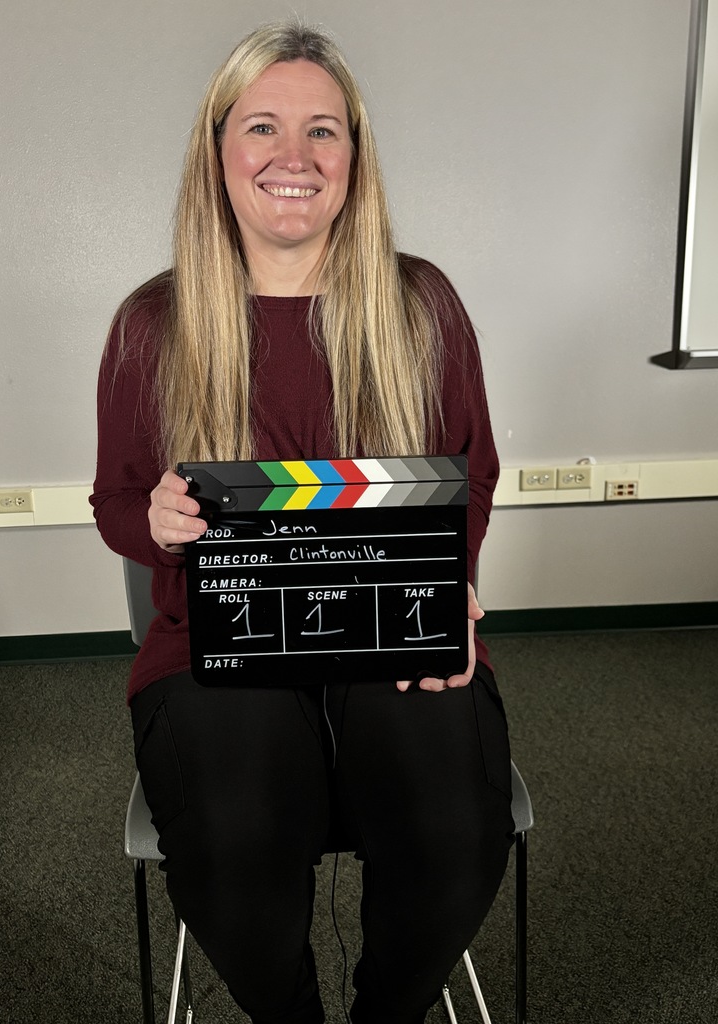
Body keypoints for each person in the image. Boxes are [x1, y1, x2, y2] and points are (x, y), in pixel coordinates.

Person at [90, 20, 513, 1024]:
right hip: (211, 649)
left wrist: (451, 592)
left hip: (393, 632)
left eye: (323, 131)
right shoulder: (151, 324)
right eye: (263, 127)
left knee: (455, 831)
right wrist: (154, 519)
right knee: (235, 841)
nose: (294, 157)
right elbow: (115, 504)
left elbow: (473, 476)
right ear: (218, 150)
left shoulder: (423, 306)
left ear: (355, 158)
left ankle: (387, 1010)